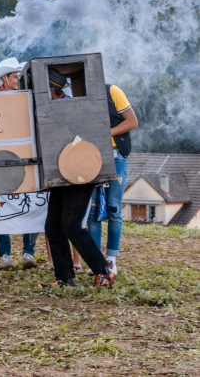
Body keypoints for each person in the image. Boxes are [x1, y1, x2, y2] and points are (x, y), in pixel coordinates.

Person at [39, 68, 115, 289]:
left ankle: (103, 272)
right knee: (53, 226)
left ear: (52, 91)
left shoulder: (73, 107)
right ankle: (64, 278)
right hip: (59, 173)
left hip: (80, 170)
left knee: (71, 225)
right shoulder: (45, 109)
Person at [0, 57, 43, 270]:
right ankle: (5, 254)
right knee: (0, 204)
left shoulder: (31, 98)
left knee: (31, 202)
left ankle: (29, 252)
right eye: (15, 77)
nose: (19, 80)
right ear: (4, 78)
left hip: (27, 155)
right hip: (1, 158)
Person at [86, 84, 138, 276]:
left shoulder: (112, 91)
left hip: (116, 155)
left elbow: (132, 122)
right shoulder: (76, 96)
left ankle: (111, 260)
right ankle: (96, 260)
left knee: (114, 207)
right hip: (89, 156)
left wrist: (105, 134)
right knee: (93, 210)